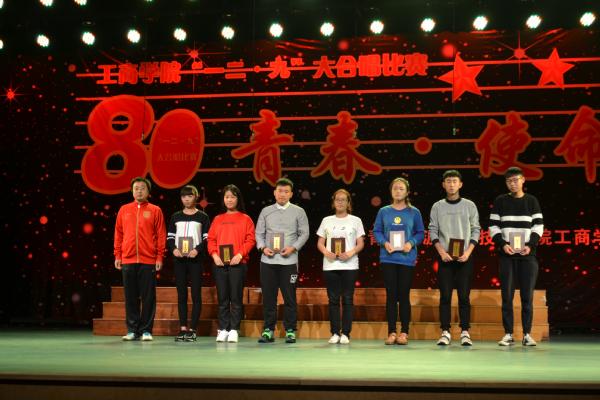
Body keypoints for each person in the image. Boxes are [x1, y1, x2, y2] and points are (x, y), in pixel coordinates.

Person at [490, 166, 544, 346]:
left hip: (527, 256)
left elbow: (538, 226)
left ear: (523, 180)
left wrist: (530, 245)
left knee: (527, 296)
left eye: (515, 180)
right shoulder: (500, 201)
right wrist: (503, 244)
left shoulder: (532, 201)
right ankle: (508, 334)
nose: (512, 184)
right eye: (509, 181)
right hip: (507, 255)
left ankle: (527, 334)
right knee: (507, 296)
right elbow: (493, 226)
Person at [429, 170, 480, 346]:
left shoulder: (469, 205)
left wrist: (468, 252)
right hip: (445, 258)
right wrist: (442, 252)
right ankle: (445, 331)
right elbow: (433, 230)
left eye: (454, 181)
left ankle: (465, 331)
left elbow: (476, 229)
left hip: (465, 257)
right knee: (445, 296)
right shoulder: (437, 206)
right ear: (443, 185)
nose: (451, 184)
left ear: (460, 184)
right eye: (448, 181)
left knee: (464, 296)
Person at [255, 178, 309, 343]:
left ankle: (290, 330)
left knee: (289, 297)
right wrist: (263, 248)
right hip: (268, 261)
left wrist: (293, 248)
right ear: (274, 192)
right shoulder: (266, 211)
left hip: (289, 262)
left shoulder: (299, 211)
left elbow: (304, 233)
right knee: (269, 297)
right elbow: (259, 233)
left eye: (286, 191)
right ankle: (268, 330)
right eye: (280, 191)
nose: (282, 194)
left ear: (291, 194)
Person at [114, 177, 166, 341]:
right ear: (132, 191)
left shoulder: (155, 210)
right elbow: (118, 233)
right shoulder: (124, 210)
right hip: (128, 259)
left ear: (148, 191)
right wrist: (118, 255)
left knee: (148, 297)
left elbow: (161, 235)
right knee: (130, 297)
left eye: (142, 188)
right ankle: (132, 330)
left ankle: (146, 330)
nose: (139, 191)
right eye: (136, 188)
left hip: (148, 260)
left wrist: (159, 256)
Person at [373, 177, 424, 346]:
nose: (398, 191)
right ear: (391, 191)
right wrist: (384, 243)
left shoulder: (414, 212)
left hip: (406, 259)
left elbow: (420, 233)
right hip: (388, 258)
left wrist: (411, 243)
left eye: (401, 188)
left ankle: (404, 332)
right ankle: (391, 332)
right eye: (395, 188)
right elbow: (377, 231)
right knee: (391, 296)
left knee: (403, 295)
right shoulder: (384, 211)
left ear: (407, 192)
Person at [207, 184, 256, 343]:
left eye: (232, 197)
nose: (229, 200)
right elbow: (211, 239)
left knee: (235, 298)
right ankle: (223, 329)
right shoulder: (218, 219)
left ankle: (234, 329)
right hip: (219, 264)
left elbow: (251, 239)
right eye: (227, 197)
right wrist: (214, 255)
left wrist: (240, 255)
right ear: (223, 199)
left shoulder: (246, 219)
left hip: (238, 264)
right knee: (222, 298)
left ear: (238, 199)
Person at [316, 189, 365, 345]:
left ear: (348, 202)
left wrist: (351, 253)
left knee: (348, 299)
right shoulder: (326, 220)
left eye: (343, 199)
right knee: (333, 300)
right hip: (330, 265)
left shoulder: (355, 220)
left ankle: (346, 334)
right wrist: (326, 252)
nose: (340, 202)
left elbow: (360, 243)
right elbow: (320, 243)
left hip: (350, 265)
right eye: (338, 199)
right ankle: (335, 333)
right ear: (333, 202)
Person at [167, 185, 210, 342]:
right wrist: (174, 249)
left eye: (190, 196)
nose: (186, 199)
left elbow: (207, 239)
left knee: (196, 294)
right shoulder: (175, 216)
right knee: (182, 294)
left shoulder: (202, 217)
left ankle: (193, 329)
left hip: (195, 260)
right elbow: (170, 237)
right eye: (184, 196)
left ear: (196, 197)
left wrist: (197, 250)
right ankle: (183, 328)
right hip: (179, 260)